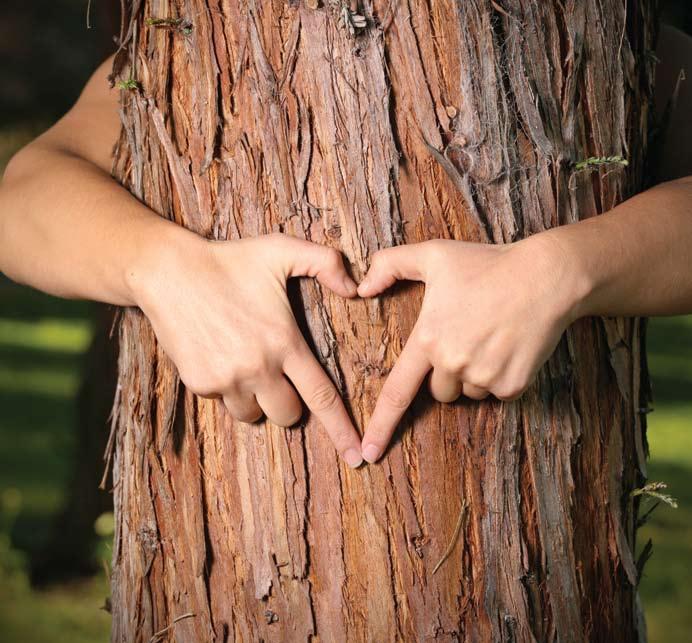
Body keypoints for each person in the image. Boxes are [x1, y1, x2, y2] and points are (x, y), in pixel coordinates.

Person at [1, 24, 691, 470]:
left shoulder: (607, 33)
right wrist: (162, 267)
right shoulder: (192, 37)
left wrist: (566, 268)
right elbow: (20, 200)